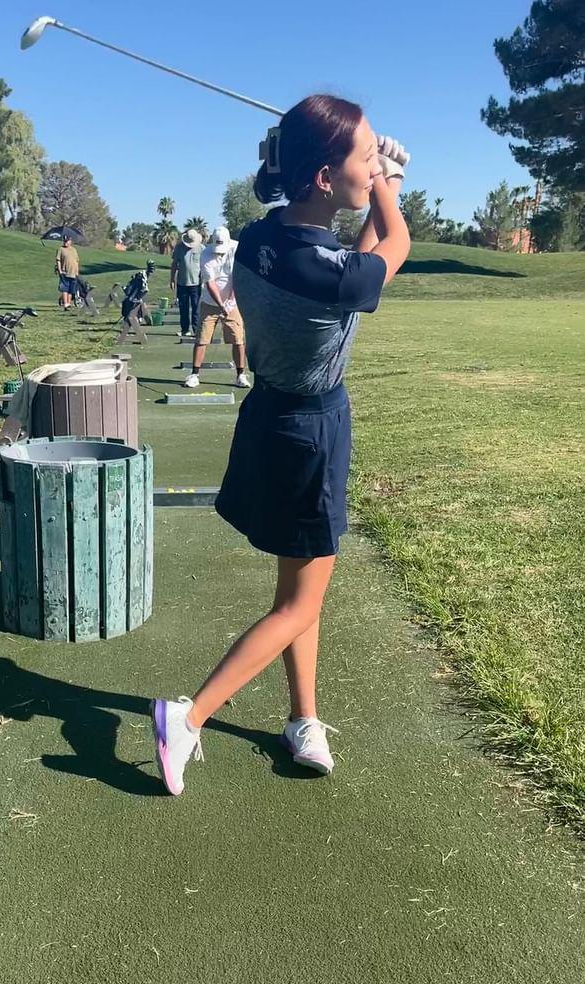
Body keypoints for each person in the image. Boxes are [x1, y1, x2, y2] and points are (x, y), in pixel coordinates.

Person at [150, 95, 411, 795]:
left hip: (269, 417)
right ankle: (189, 715)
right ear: (324, 177)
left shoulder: (258, 237)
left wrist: (372, 166)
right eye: (360, 160)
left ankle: (303, 718)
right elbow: (393, 247)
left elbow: (348, 273)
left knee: (300, 589)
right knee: (298, 603)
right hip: (309, 433)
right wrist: (388, 182)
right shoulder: (323, 266)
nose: (371, 169)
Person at [184, 226, 249, 390]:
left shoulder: (237, 249)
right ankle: (194, 374)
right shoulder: (205, 254)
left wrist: (231, 301)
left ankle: (240, 375)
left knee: (238, 339)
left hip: (233, 302)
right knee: (202, 339)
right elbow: (210, 283)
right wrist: (221, 304)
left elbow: (238, 277)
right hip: (210, 302)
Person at [169, 228, 204, 337]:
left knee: (196, 308)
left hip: (196, 283)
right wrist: (172, 279)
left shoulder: (202, 249)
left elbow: (205, 266)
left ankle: (196, 330)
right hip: (182, 283)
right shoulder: (179, 248)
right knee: (183, 307)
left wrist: (205, 281)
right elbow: (174, 264)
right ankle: (185, 330)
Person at [55, 234, 80, 310]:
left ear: (70, 241)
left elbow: (77, 261)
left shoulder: (74, 249)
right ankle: (65, 304)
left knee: (71, 290)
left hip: (73, 273)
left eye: (67, 241)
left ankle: (69, 304)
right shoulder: (61, 249)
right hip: (64, 272)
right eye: (64, 241)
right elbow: (58, 260)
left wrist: (77, 272)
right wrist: (60, 270)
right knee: (64, 289)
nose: (65, 242)